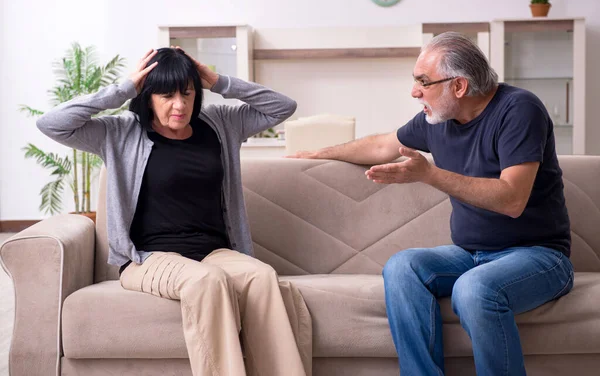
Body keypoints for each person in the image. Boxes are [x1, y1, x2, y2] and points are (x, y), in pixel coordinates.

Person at [289, 32, 574, 376]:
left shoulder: (519, 110)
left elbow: (512, 199)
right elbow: (382, 146)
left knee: (474, 288)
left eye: (423, 82)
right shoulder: (435, 120)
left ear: (459, 86)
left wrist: (430, 174)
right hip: (471, 255)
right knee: (402, 267)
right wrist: (320, 153)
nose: (414, 91)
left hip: (539, 256)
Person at [37, 47, 309, 376]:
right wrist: (123, 89)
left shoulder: (221, 124)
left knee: (262, 276)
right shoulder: (120, 132)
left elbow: (283, 107)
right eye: (166, 95)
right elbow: (52, 124)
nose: (179, 105)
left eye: (187, 93)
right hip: (148, 258)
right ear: (147, 95)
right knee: (208, 281)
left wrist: (217, 80)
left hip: (213, 252)